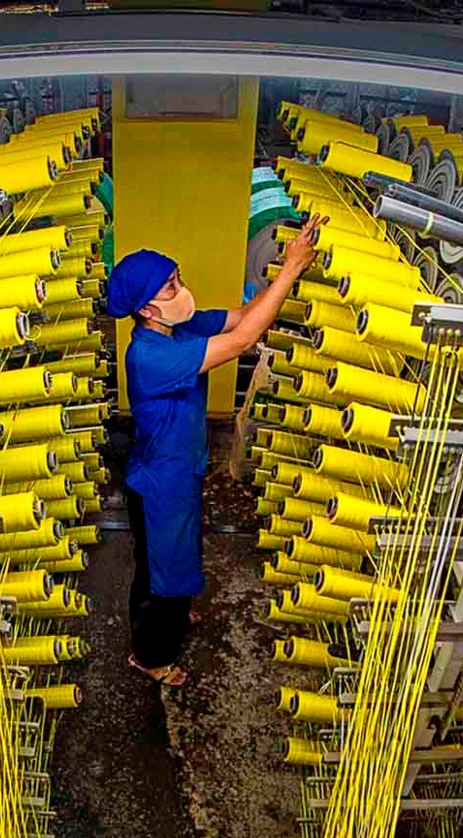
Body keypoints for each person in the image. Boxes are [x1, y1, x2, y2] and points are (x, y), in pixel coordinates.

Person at [105, 214, 326, 687]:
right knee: (157, 577)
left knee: (179, 554)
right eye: (169, 287)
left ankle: (178, 610)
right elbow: (245, 341)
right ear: (145, 309)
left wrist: (291, 268)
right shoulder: (149, 355)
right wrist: (287, 271)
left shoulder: (180, 329)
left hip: (181, 470)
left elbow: (244, 319)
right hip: (159, 483)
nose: (181, 289)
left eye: (177, 277)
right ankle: (149, 655)